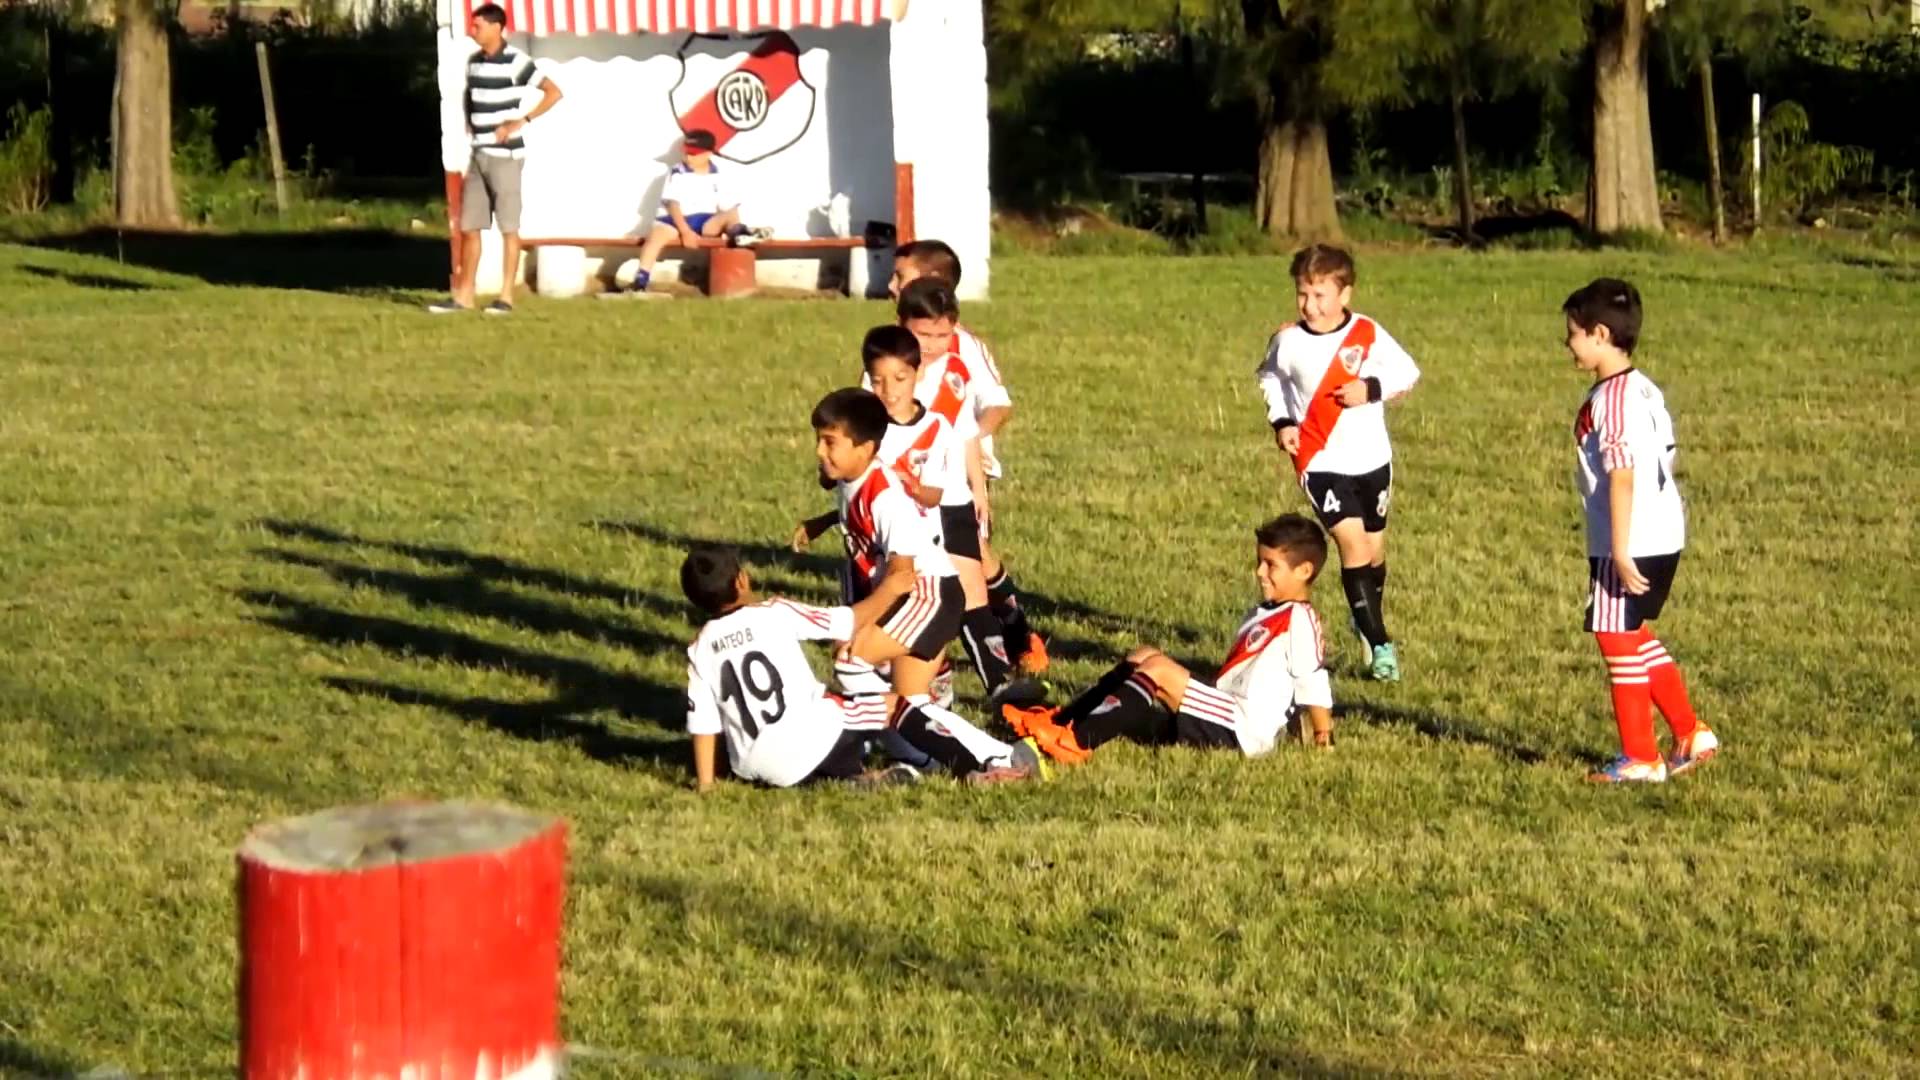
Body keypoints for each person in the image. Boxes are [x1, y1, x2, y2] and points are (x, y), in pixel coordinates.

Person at [808, 388, 1046, 784]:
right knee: (912, 699)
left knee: (852, 658)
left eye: (829, 442)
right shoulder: (853, 475)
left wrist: (855, 620)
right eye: (818, 439)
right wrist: (820, 523)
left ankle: (918, 756)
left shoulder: (883, 496)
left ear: (866, 448)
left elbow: (903, 575)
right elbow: (846, 508)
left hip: (928, 595)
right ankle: (1002, 756)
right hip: (922, 596)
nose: (819, 451)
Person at [1002, 514, 1335, 764]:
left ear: (1304, 571)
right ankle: (1061, 720)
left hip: (1244, 730)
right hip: (1226, 711)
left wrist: (1323, 736)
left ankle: (1077, 741)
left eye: (1270, 564)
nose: (1259, 572)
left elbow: (1312, 681)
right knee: (1142, 656)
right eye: (1259, 561)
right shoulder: (1267, 611)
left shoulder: (1300, 618)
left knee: (1159, 669)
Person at [1561, 278, 1720, 783]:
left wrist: (1621, 550)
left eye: (1573, 334)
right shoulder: (1644, 387)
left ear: (1601, 333)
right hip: (1666, 531)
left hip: (1628, 540)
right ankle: (1691, 733)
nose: (1568, 343)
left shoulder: (1611, 400)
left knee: (1614, 637)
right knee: (1631, 632)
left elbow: (1622, 475)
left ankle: (1640, 757)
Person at [1256, 243, 1420, 682]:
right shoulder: (1288, 341)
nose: (1309, 305)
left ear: (1344, 294)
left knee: (1374, 550)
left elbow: (1408, 371)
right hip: (1319, 458)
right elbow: (1270, 376)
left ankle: (1366, 619)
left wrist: (1371, 387)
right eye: (1302, 294)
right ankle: (1382, 647)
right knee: (1353, 545)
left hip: (1372, 457)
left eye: (1320, 295)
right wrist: (1283, 421)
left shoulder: (1366, 333)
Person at [887, 240, 1046, 674]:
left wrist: (964, 443)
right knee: (956, 563)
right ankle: (963, 650)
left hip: (959, 471)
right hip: (911, 477)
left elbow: (998, 404)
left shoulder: (963, 346)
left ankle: (1006, 633)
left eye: (900, 276)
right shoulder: (894, 347)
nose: (890, 283)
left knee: (970, 561)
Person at [428, 2, 562, 316]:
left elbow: (553, 91)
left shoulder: (517, 61)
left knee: (508, 227)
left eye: (478, 26)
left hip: (506, 157)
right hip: (478, 154)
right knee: (470, 227)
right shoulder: (473, 62)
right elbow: (469, 100)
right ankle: (464, 296)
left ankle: (506, 297)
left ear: (496, 27)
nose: (473, 31)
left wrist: (520, 122)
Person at [623, 129, 771, 297]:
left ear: (708, 154)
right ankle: (641, 280)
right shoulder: (677, 171)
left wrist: (729, 219)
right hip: (675, 220)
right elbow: (673, 204)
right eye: (687, 153)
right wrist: (685, 231)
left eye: (694, 154)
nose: (688, 158)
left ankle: (740, 234)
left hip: (705, 220)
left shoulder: (719, 174)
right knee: (656, 237)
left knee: (730, 213)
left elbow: (728, 205)